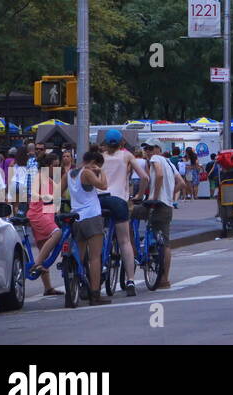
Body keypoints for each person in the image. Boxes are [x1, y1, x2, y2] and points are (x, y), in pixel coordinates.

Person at [99, 129, 148, 297]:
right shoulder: (126, 156)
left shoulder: (99, 157)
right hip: (119, 201)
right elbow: (144, 177)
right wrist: (139, 195)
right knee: (125, 241)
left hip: (99, 200)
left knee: (96, 238)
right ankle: (131, 281)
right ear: (121, 143)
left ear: (105, 142)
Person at [69, 147, 110, 305]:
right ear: (93, 162)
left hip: (76, 218)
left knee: (80, 256)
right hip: (92, 217)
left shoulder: (71, 173)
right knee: (94, 258)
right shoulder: (87, 172)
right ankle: (95, 294)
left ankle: (76, 287)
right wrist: (101, 171)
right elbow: (103, 186)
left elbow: (60, 190)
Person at [27, 152, 62, 296]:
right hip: (38, 214)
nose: (57, 168)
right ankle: (37, 264)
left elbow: (60, 191)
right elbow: (34, 194)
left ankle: (48, 288)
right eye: (55, 165)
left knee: (44, 248)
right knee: (57, 233)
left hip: (46, 213)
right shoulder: (40, 176)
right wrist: (45, 196)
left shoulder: (48, 179)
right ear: (49, 165)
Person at [141, 144, 174, 289]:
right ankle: (165, 279)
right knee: (166, 243)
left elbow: (159, 175)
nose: (147, 152)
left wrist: (154, 196)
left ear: (157, 149)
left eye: (150, 149)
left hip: (157, 204)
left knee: (126, 213)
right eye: (145, 149)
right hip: (167, 205)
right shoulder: (169, 163)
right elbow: (180, 183)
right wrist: (172, 197)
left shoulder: (155, 159)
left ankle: (132, 250)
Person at [10, 147, 32, 216]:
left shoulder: (14, 164)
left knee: (15, 204)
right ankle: (21, 219)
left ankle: (16, 218)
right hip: (23, 184)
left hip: (14, 183)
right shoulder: (28, 163)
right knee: (22, 204)